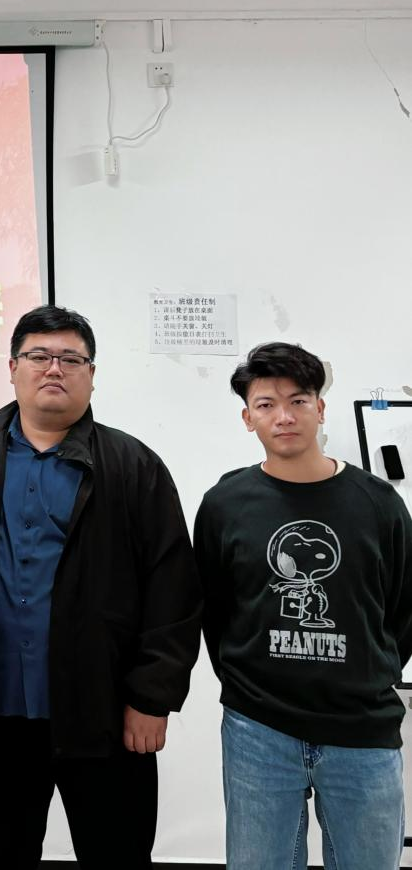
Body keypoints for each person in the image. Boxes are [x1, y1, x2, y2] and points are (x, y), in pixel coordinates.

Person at [0, 304, 202, 869]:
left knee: (117, 855)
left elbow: (173, 588)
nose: (54, 368)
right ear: (13, 367)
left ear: (92, 373)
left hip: (105, 713)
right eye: (38, 355)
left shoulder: (133, 465)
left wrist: (152, 698)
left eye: (70, 358)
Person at [194, 342, 412, 870]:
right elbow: (214, 611)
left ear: (321, 407)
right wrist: (251, 683)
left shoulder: (378, 503)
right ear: (247, 418)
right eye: (266, 404)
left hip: (362, 728)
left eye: (298, 400)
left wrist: (367, 673)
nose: (284, 416)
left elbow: (403, 609)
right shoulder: (225, 505)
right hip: (257, 728)